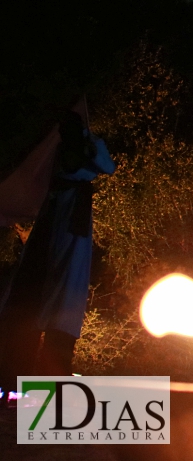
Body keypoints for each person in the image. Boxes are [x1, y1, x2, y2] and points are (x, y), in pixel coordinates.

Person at [0, 110, 115, 394]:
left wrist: (89, 145)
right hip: (56, 216)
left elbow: (106, 166)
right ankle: (16, 377)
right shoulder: (60, 151)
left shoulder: (90, 147)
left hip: (72, 221)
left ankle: (48, 381)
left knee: (65, 287)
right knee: (34, 290)